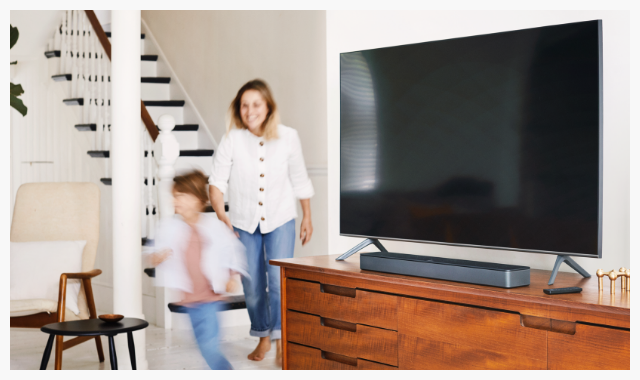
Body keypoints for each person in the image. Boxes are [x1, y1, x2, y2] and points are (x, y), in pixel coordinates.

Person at [209, 79, 314, 365]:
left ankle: (282, 339)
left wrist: (307, 216)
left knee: (278, 281)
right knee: (252, 285)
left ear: (268, 107)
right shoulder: (232, 139)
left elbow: (300, 178)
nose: (250, 110)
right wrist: (222, 216)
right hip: (243, 221)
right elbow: (216, 182)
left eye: (256, 104)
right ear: (238, 109)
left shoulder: (288, 136)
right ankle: (263, 336)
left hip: (281, 218)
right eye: (244, 105)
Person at [148, 170, 248, 370]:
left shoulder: (213, 227)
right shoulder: (169, 228)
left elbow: (232, 250)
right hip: (191, 301)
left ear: (197, 200)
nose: (175, 201)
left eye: (180, 196)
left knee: (209, 347)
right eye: (174, 196)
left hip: (211, 298)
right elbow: (153, 252)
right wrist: (157, 258)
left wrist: (231, 275)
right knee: (205, 346)